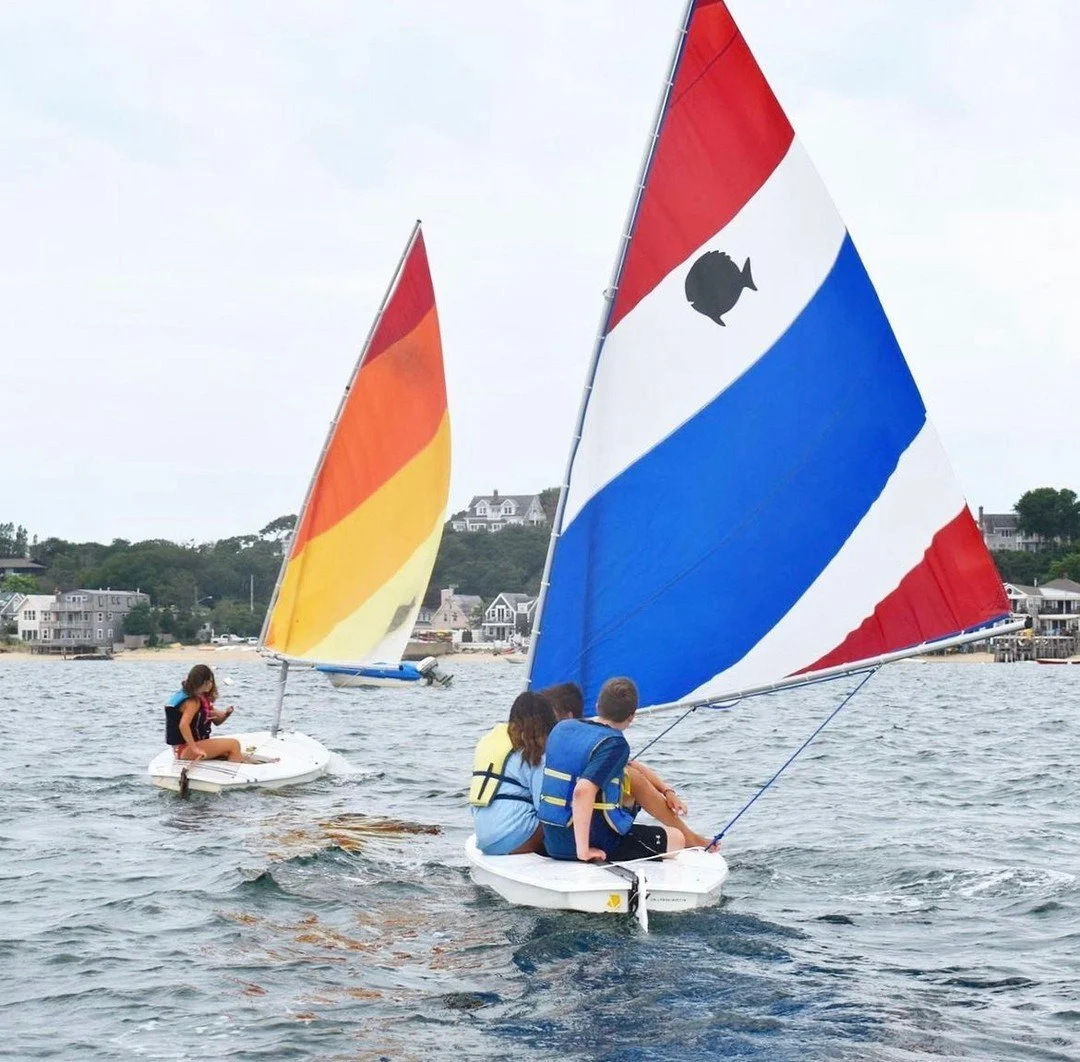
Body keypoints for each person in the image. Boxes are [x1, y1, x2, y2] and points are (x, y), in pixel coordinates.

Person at [539, 680, 715, 850]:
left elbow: (631, 766)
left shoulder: (564, 728)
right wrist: (583, 851)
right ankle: (691, 839)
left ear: (597, 705)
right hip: (588, 842)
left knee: (630, 775)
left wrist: (666, 791)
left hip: (553, 839)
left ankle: (692, 838)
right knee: (677, 839)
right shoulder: (614, 743)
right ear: (631, 716)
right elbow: (583, 791)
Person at [469, 691, 557, 855]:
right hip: (515, 839)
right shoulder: (535, 754)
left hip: (484, 839)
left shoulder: (489, 743)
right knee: (557, 817)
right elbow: (546, 808)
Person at [164, 664, 260, 764]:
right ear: (202, 682)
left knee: (229, 751)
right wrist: (195, 748)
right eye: (209, 681)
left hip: (186, 748)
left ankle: (243, 761)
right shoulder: (192, 701)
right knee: (234, 744)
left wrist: (226, 714)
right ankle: (236, 771)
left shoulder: (202, 698)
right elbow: (183, 725)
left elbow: (217, 722)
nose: (211, 684)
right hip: (184, 749)